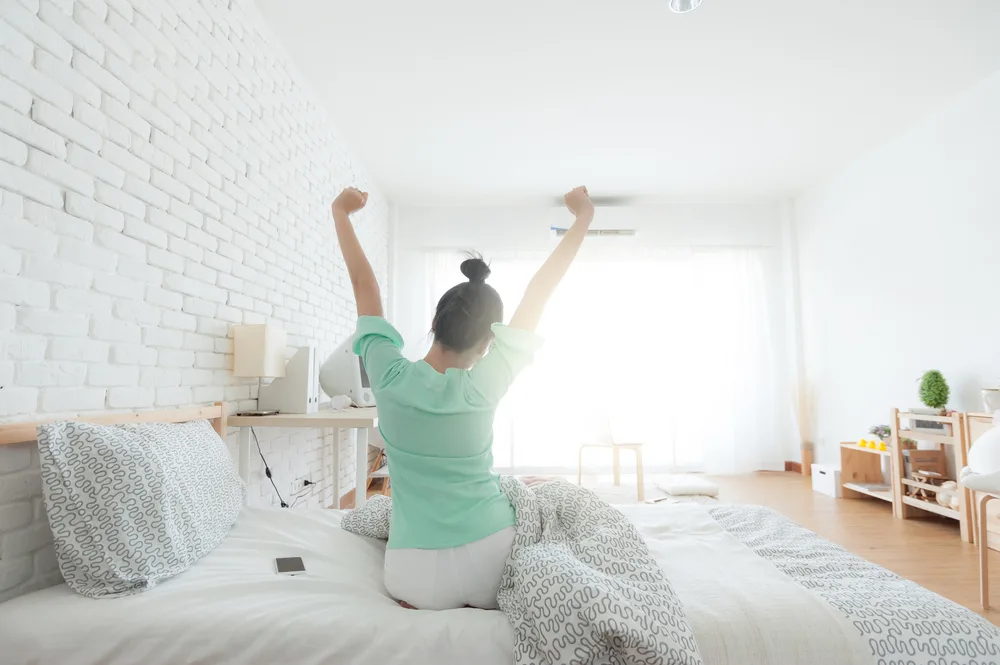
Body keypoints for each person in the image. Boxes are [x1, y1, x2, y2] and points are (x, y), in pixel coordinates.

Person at [331, 185, 595, 610]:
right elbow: (540, 290)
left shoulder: (389, 374)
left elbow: (364, 285)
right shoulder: (485, 381)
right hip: (491, 561)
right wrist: (582, 216)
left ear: (435, 321)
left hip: (412, 577)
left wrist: (341, 212)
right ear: (490, 342)